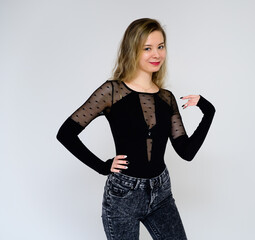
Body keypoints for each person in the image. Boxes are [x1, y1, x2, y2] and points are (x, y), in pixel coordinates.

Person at [56, 18, 215, 240]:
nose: (156, 54)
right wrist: (102, 166)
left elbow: (186, 152)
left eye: (160, 47)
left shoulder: (166, 98)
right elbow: (66, 133)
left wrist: (208, 111)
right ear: (132, 50)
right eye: (147, 48)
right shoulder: (112, 91)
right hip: (123, 196)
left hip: (161, 194)